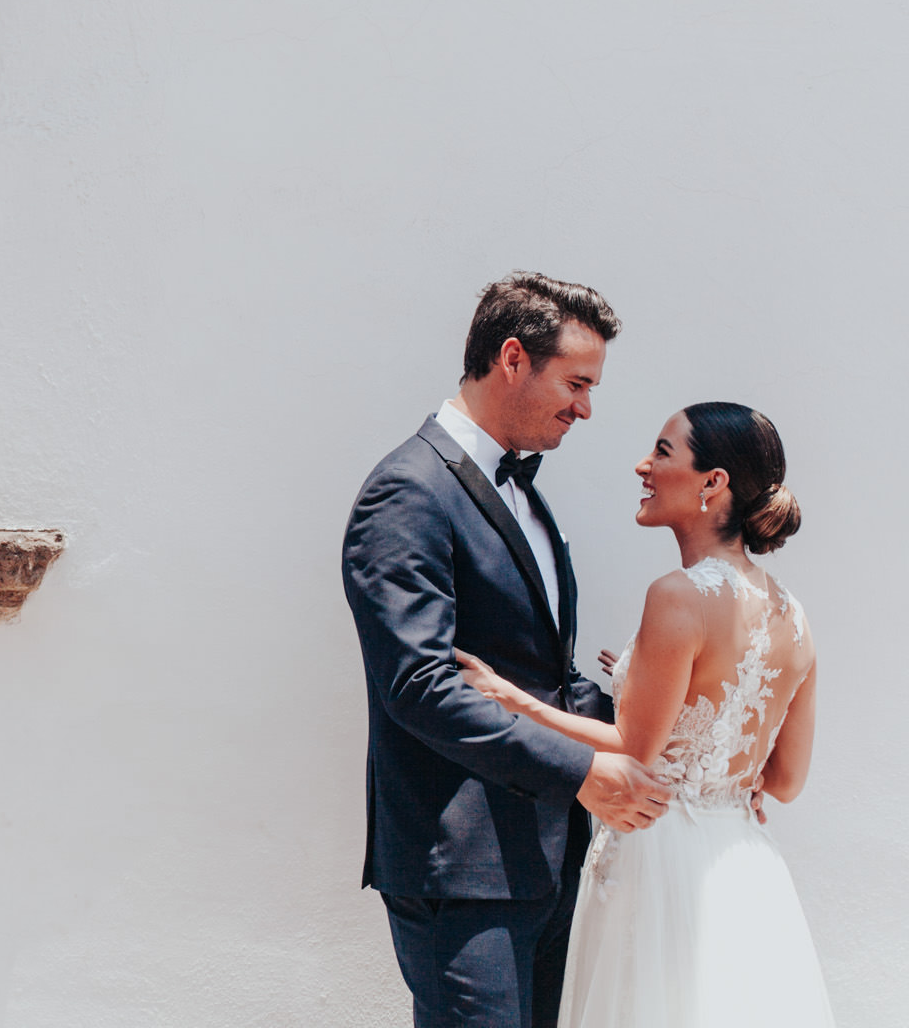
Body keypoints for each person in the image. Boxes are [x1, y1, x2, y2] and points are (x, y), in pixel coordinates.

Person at [343, 274, 672, 1028]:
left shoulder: (526, 494)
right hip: (463, 872)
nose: (586, 407)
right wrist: (583, 770)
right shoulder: (408, 491)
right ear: (514, 359)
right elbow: (420, 686)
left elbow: (540, 678)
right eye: (577, 383)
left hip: (547, 863)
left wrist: (672, 729)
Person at [456, 402, 833, 1027]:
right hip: (743, 861)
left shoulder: (678, 594)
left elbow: (634, 750)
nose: (643, 465)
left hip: (661, 857)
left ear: (713, 483)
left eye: (661, 452)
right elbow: (786, 782)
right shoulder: (795, 615)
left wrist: (510, 697)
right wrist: (717, 767)